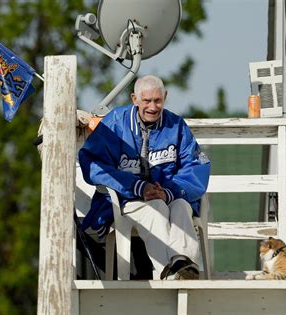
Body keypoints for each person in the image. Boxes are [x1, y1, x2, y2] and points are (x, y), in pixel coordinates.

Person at [79, 75, 211, 280]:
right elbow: (92, 163)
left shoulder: (176, 125)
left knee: (182, 207)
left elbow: (195, 168)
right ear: (134, 99)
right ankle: (168, 272)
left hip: (169, 195)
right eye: (147, 101)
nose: (152, 107)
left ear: (165, 97)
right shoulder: (115, 123)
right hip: (128, 200)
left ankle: (183, 264)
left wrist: (169, 192)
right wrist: (137, 187)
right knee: (156, 208)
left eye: (158, 100)